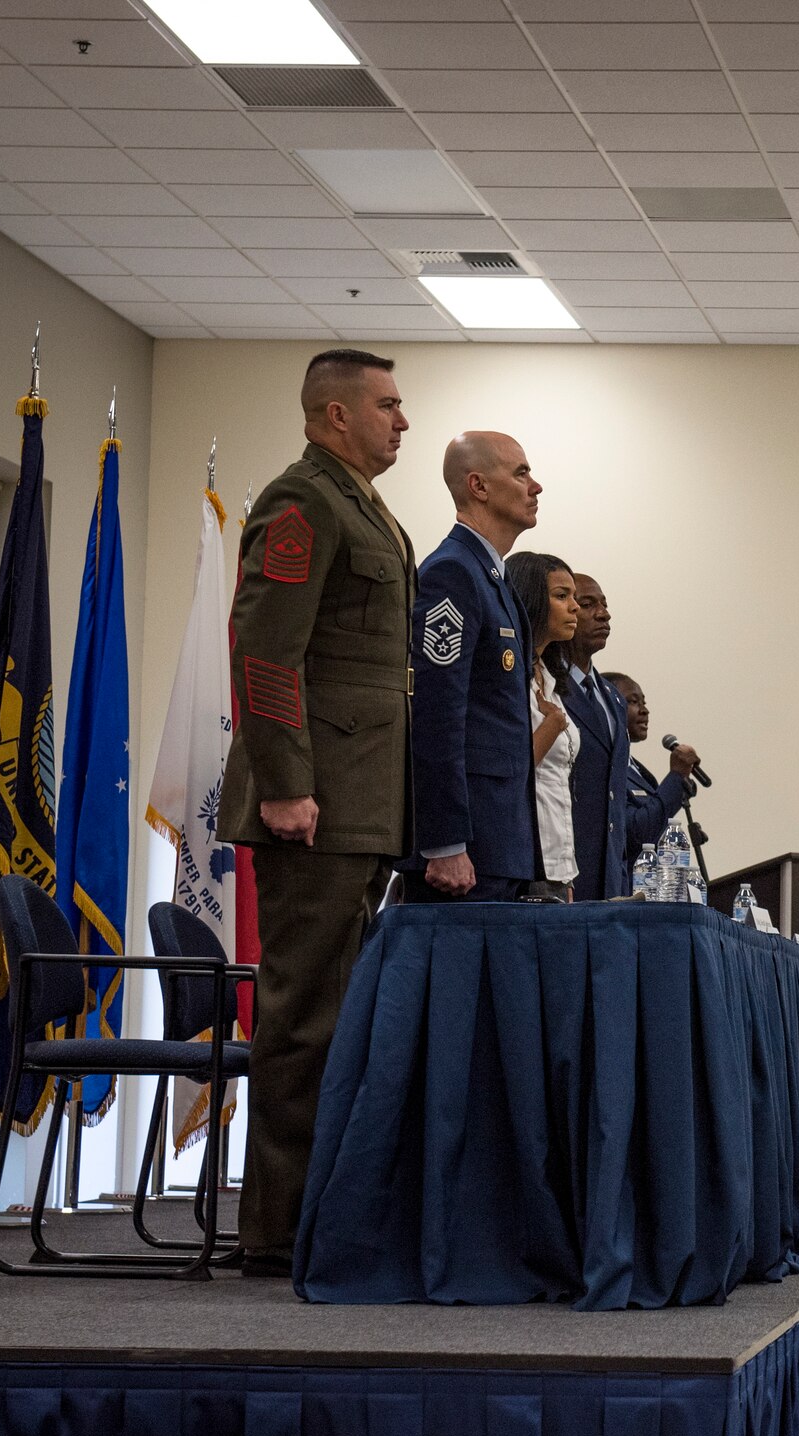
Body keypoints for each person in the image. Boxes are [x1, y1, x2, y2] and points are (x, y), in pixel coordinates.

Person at [217, 347, 414, 1277]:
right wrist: (289, 783)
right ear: (335, 415)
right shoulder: (301, 502)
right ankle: (275, 1231)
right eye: (386, 405)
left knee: (336, 1016)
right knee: (299, 1020)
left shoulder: (362, 505)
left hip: (360, 799)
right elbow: (266, 649)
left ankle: (318, 1218)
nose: (401, 421)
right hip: (316, 801)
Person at [400, 432, 542, 902]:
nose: (535, 486)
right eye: (521, 473)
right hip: (466, 851)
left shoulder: (492, 578)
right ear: (478, 486)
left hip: (499, 843)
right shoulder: (453, 573)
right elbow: (437, 713)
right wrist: (444, 841)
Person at [506, 551, 582, 896]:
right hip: (519, 857)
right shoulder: (506, 676)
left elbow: (555, 783)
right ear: (532, 599)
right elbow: (508, 769)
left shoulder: (549, 677)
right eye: (562, 596)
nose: (574, 607)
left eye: (574, 597)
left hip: (556, 863)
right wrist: (550, 728)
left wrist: (565, 873)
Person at [564, 574, 633, 900]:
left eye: (604, 605)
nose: (604, 614)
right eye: (589, 605)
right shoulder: (546, 688)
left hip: (611, 876)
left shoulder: (613, 697)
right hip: (565, 872)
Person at [600, 669, 700, 864]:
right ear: (607, 706)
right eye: (633, 701)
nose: (645, 710)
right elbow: (639, 832)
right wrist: (675, 777)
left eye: (644, 703)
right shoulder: (606, 767)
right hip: (625, 886)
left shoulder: (640, 772)